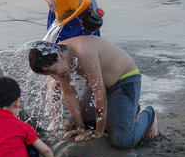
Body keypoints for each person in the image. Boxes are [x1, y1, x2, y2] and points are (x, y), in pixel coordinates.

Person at [28, 37, 158, 150]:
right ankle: (127, 111)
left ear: (60, 56)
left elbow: (99, 96)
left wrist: (98, 131)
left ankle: (149, 115)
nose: (55, 77)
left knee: (123, 141)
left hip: (124, 81)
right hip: (98, 83)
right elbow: (69, 93)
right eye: (49, 74)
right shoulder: (59, 56)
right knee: (71, 127)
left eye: (52, 71)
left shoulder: (84, 52)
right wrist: (80, 127)